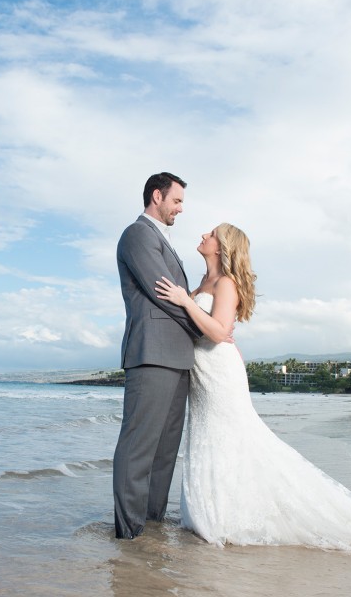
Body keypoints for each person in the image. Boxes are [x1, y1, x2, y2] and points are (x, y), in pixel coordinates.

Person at [155, 223, 351, 555]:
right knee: (209, 438)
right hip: (204, 373)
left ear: (222, 247)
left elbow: (218, 332)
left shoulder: (226, 282)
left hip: (219, 373)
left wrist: (183, 301)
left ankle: (225, 516)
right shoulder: (204, 282)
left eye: (211, 234)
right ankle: (214, 510)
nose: (204, 235)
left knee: (229, 437)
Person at [113, 172, 204, 540]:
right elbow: (163, 294)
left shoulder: (162, 240)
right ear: (157, 196)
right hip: (151, 355)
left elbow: (180, 294)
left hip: (178, 358)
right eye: (177, 201)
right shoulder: (138, 234)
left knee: (165, 453)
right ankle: (129, 533)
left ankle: (151, 527)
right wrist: (205, 326)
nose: (181, 209)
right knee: (138, 447)